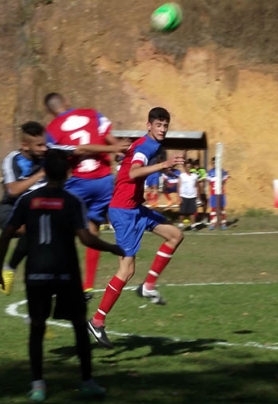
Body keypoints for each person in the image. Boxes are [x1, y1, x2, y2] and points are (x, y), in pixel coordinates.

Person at [0, 149, 125, 402]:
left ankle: (38, 385)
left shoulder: (28, 201)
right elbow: (85, 238)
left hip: (36, 274)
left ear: (45, 171)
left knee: (37, 328)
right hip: (66, 274)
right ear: (68, 173)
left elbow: (7, 234)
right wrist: (112, 247)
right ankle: (87, 382)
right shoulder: (73, 202)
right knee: (78, 328)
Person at [87, 107, 185, 349]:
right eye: (159, 125)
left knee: (175, 235)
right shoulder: (146, 146)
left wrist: (164, 167)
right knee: (126, 270)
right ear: (149, 125)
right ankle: (97, 321)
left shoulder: (148, 144)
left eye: (165, 125)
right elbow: (132, 172)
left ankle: (148, 286)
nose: (163, 129)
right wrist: (163, 165)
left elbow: (131, 171)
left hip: (135, 208)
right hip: (123, 212)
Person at [44, 93, 130, 302]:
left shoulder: (52, 130)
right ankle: (87, 287)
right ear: (66, 103)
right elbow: (114, 142)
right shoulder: (92, 114)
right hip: (103, 182)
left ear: (51, 111)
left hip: (78, 183)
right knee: (92, 231)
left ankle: (58, 282)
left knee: (61, 234)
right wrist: (118, 150)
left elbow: (66, 155)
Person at [0, 121, 48, 295]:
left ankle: (14, 271)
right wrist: (41, 174)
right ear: (25, 145)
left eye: (45, 144)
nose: (44, 148)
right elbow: (13, 190)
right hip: (10, 211)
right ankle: (10, 268)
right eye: (39, 145)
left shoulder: (47, 157)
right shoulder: (12, 160)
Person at [177, 158, 201, 229]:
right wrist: (179, 197)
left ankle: (193, 225)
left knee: (192, 212)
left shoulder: (194, 176)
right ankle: (181, 224)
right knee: (182, 211)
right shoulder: (182, 176)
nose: (188, 168)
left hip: (192, 196)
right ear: (185, 167)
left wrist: (198, 197)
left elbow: (197, 186)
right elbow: (178, 187)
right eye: (187, 167)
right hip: (184, 196)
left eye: (190, 167)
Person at [207, 156, 230, 230]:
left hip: (221, 193)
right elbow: (209, 182)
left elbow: (224, 181)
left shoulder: (222, 171)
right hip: (213, 193)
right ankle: (213, 223)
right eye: (213, 163)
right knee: (213, 208)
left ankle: (223, 223)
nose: (214, 164)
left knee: (221, 208)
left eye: (216, 163)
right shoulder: (210, 172)